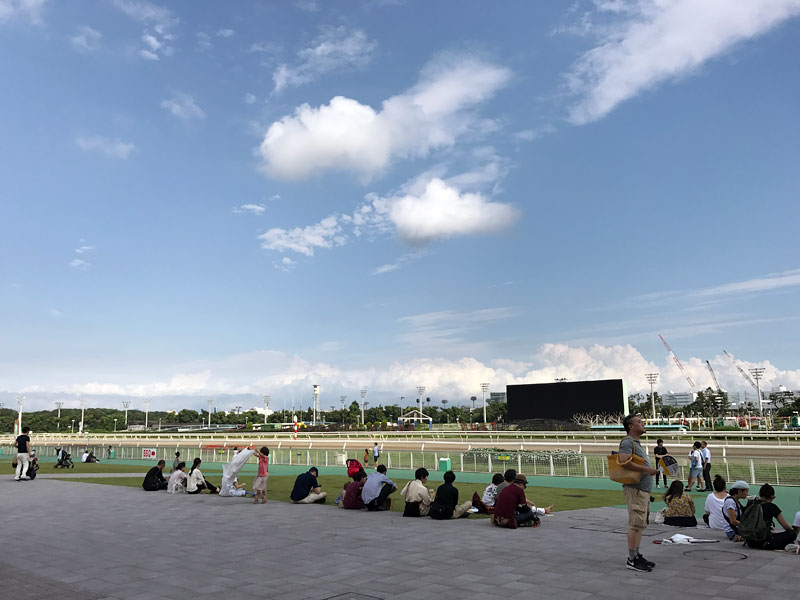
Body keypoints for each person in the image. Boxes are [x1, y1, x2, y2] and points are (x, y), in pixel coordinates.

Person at [618, 414, 658, 572]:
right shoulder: (628, 442)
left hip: (642, 489)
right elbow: (623, 461)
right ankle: (632, 559)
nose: (643, 424)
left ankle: (636, 554)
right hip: (636, 489)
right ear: (631, 427)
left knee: (640, 524)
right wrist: (646, 469)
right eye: (639, 422)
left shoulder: (635, 442)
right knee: (635, 524)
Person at [744, 483, 796, 550]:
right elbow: (786, 526)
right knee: (791, 534)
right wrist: (793, 530)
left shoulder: (751, 505)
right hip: (765, 542)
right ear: (773, 496)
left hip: (750, 542)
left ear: (759, 493)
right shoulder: (772, 507)